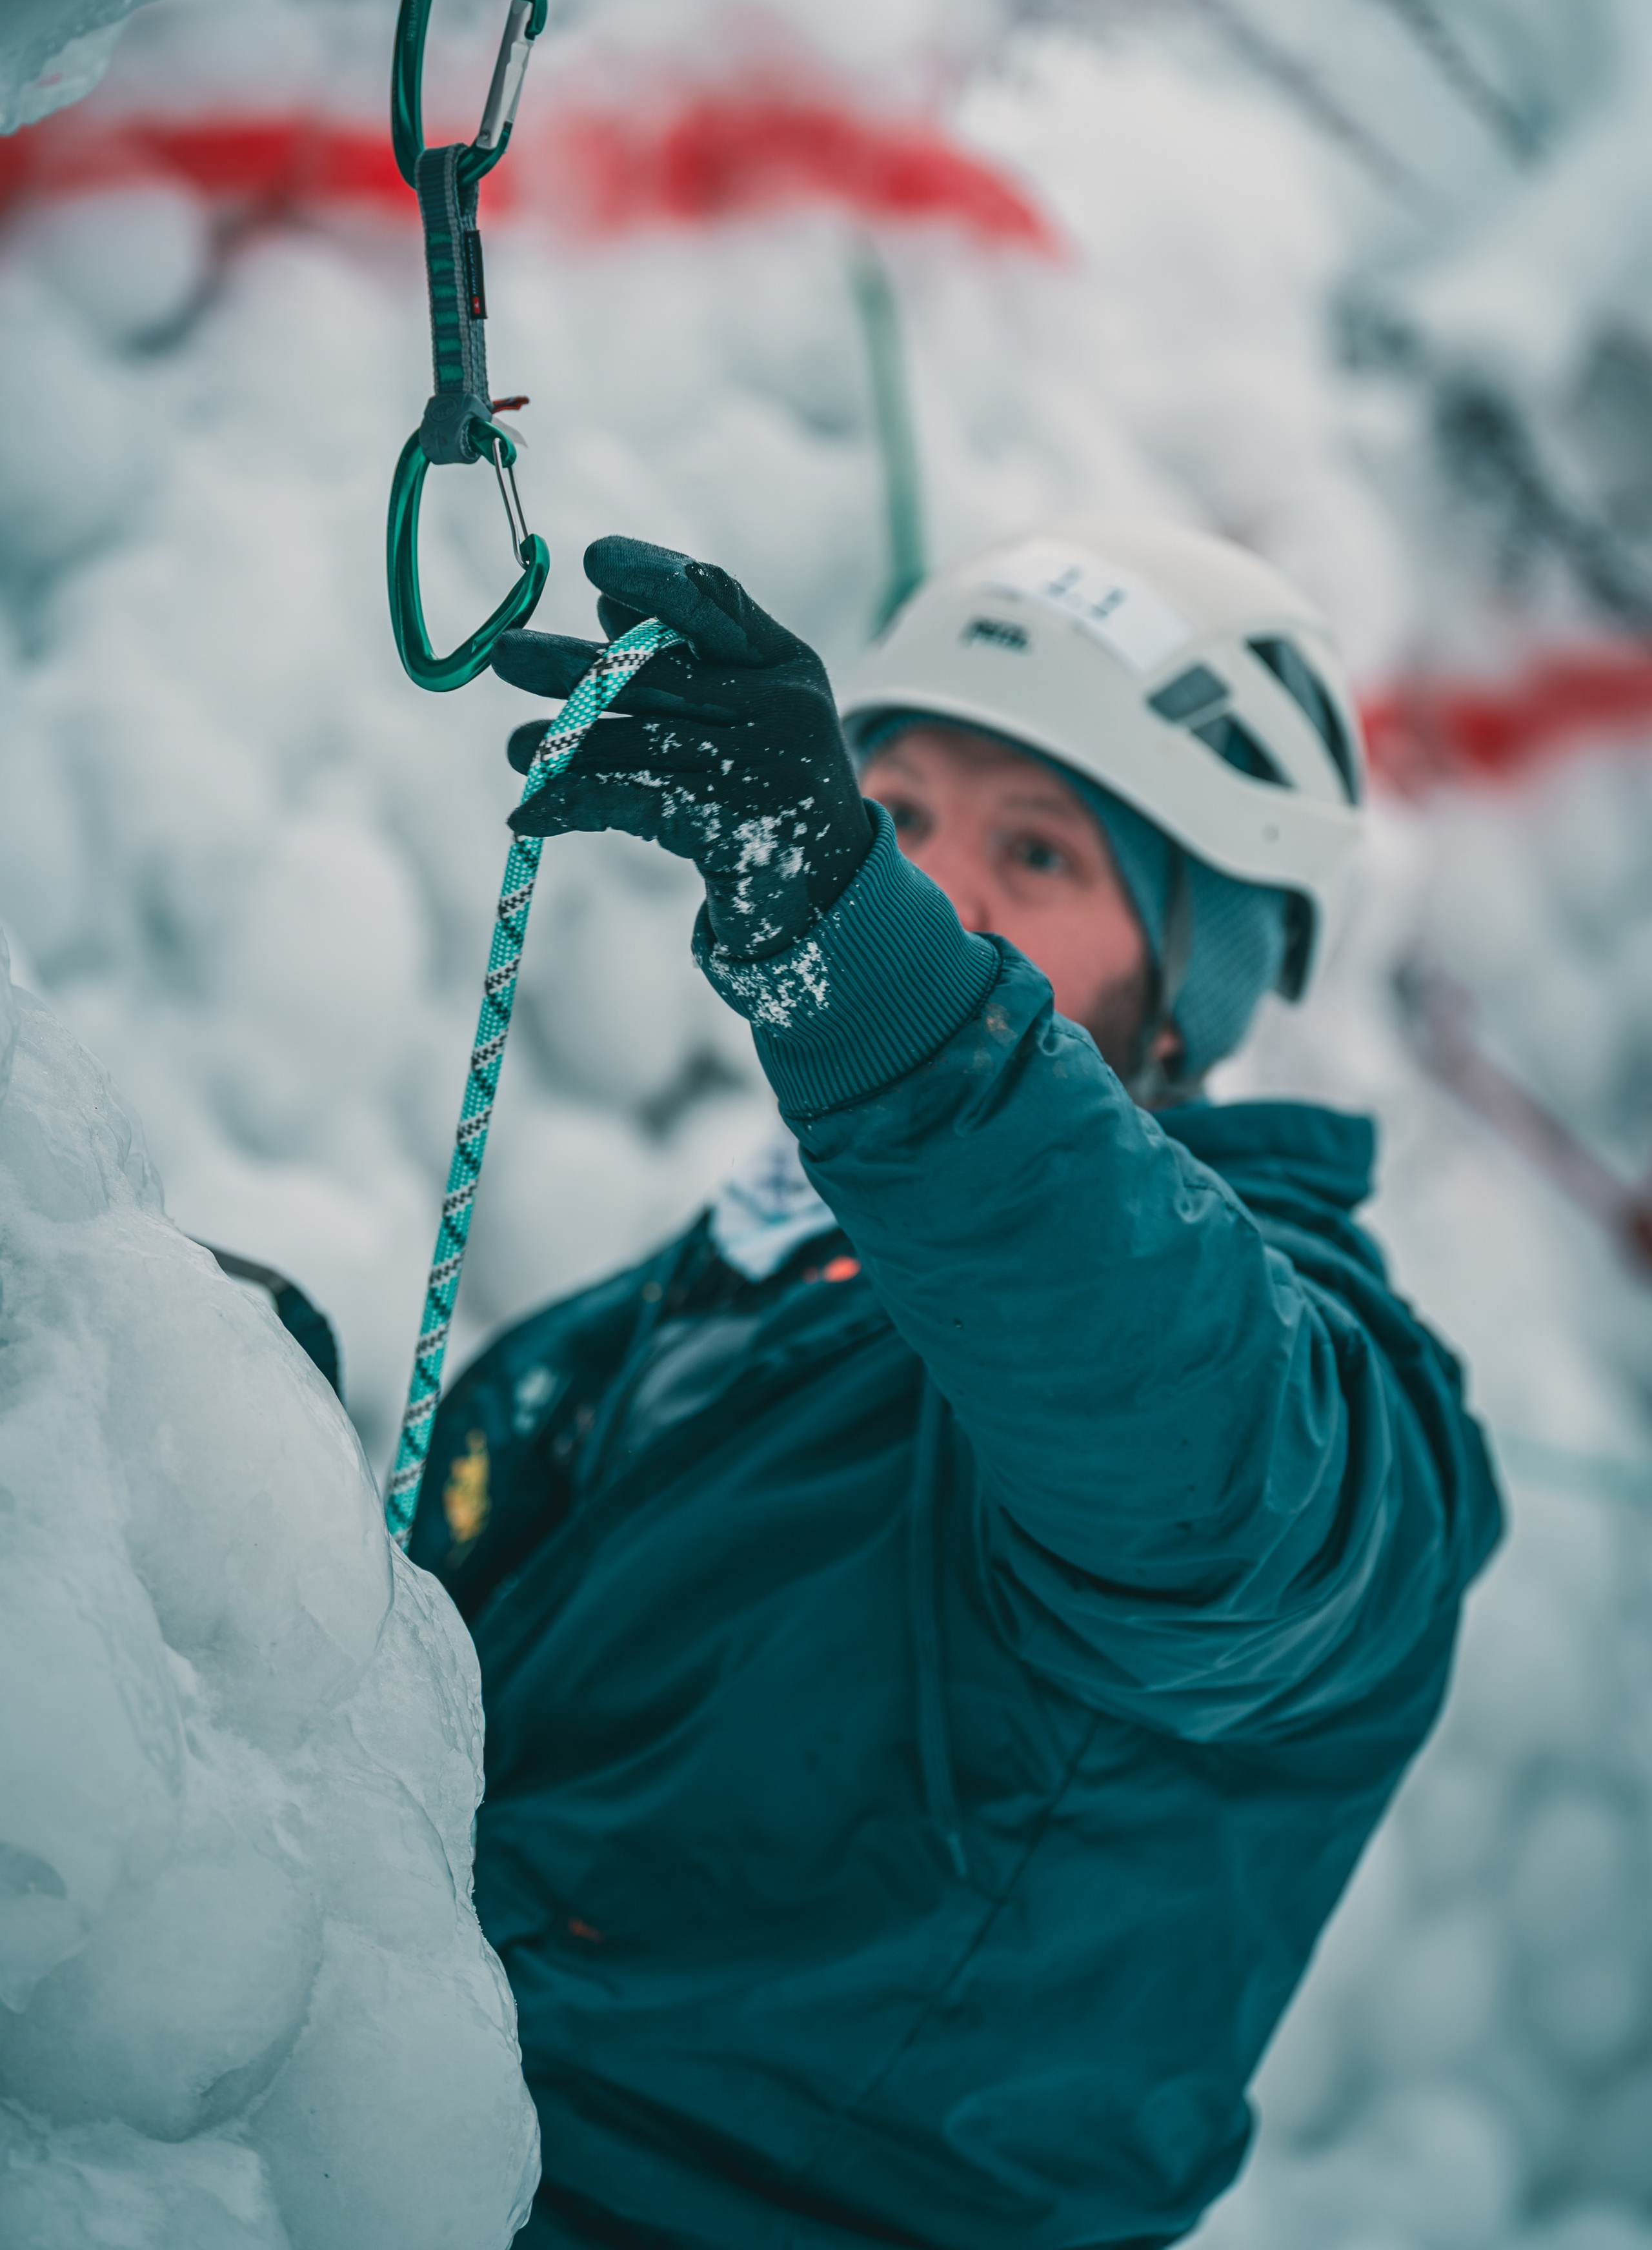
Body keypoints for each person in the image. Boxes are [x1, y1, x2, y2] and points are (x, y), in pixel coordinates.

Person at [408, 517, 1501, 2250]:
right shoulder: (692, 1310)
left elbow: (1185, 1446)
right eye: (897, 817)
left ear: (1190, 988)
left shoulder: (1323, 1409)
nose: (936, 890)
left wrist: (862, 950)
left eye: (1043, 855)